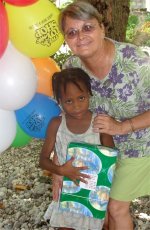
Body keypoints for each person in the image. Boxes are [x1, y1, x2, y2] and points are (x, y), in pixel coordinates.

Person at [59, 1, 150, 230]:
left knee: (115, 207)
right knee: (96, 208)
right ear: (66, 39)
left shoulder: (136, 62)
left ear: (102, 28)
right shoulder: (71, 68)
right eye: (72, 32)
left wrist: (122, 126)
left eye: (87, 28)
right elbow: (67, 118)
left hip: (140, 143)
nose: (80, 37)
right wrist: (59, 169)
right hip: (98, 148)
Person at [39, 67, 114, 230]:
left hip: (94, 196)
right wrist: (61, 170)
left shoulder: (100, 123)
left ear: (89, 93)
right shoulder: (56, 125)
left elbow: (111, 163)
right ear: (59, 101)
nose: (77, 106)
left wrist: (106, 200)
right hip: (66, 193)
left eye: (81, 98)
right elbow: (43, 160)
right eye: (69, 101)